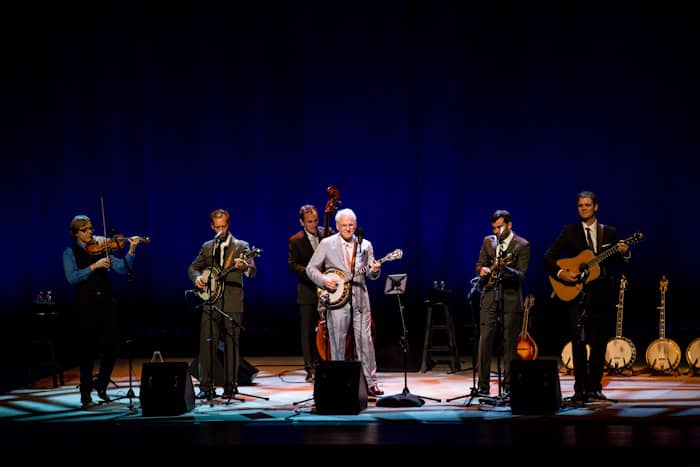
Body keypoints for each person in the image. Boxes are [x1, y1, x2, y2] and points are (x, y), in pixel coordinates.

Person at [543, 190, 630, 402]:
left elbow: (620, 263)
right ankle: (580, 389)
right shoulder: (570, 231)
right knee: (578, 342)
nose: (583, 208)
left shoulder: (609, 232)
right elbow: (549, 256)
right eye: (580, 205)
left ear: (596, 207)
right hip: (577, 295)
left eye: (587, 205)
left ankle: (595, 388)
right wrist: (562, 273)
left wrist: (624, 252)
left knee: (599, 343)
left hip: (602, 295)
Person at [63, 215, 143, 408]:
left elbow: (123, 269)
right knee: (87, 351)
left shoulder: (101, 249)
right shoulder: (69, 252)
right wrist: (94, 266)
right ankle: (85, 394)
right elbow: (72, 278)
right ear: (76, 233)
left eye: (91, 228)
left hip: (107, 305)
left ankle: (101, 386)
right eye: (86, 229)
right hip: (86, 307)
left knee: (110, 349)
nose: (91, 232)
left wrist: (131, 249)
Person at [306, 208, 384, 396]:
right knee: (337, 341)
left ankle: (371, 382)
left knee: (365, 341)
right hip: (338, 299)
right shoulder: (327, 244)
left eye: (351, 225)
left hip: (360, 299)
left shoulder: (365, 244)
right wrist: (325, 281)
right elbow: (311, 268)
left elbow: (371, 274)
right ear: (337, 226)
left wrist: (374, 270)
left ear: (355, 226)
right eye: (344, 226)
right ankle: (339, 382)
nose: (348, 229)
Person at [188, 208, 256, 399]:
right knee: (206, 345)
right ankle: (206, 387)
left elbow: (252, 270)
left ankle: (230, 386)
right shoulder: (208, 246)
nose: (220, 230)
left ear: (229, 225)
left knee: (231, 346)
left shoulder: (242, 246)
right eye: (217, 227)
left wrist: (246, 267)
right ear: (212, 226)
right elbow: (193, 267)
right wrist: (197, 277)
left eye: (224, 226)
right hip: (210, 302)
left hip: (233, 303)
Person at [474, 209, 531, 397]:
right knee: (485, 341)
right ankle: (483, 386)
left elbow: (521, 275)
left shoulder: (522, 245)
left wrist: (505, 268)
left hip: (511, 298)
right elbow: (479, 264)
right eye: (494, 228)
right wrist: (482, 269)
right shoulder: (488, 241)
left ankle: (509, 386)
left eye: (500, 227)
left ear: (509, 225)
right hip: (490, 296)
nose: (497, 231)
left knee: (509, 344)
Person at [288, 204, 324, 382]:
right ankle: (310, 368)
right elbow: (293, 264)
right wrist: (312, 274)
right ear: (301, 222)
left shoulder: (328, 233)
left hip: (328, 289)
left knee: (328, 329)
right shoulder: (296, 240)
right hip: (308, 290)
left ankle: (327, 363)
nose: (314, 225)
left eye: (316, 221)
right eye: (310, 222)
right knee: (307, 331)